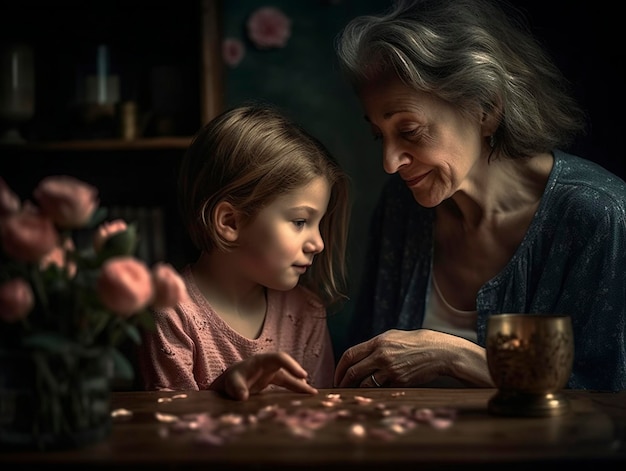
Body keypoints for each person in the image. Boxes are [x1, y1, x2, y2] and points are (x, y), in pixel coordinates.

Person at [332, 0, 626, 391]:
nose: (389, 162)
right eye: (378, 135)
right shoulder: (402, 207)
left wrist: (453, 354)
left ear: (485, 109)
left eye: (409, 131)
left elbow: (606, 403)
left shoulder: (598, 215)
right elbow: (366, 371)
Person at [139, 103, 351, 400]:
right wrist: (225, 391)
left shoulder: (307, 312)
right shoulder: (171, 314)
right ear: (230, 222)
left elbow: (319, 417)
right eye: (300, 221)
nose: (318, 244)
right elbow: (171, 432)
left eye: (318, 223)